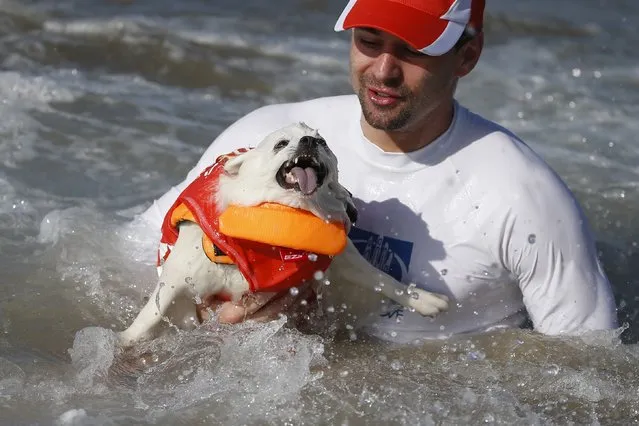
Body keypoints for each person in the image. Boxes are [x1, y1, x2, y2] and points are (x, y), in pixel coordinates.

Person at [139, 0, 618, 344]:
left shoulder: (522, 197)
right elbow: (124, 257)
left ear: (467, 55)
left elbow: (589, 371)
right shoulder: (267, 139)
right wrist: (207, 315)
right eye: (369, 41)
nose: (384, 70)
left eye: (414, 49)